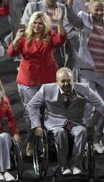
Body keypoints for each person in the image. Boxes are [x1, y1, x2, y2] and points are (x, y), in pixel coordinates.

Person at [66, 0, 104, 155]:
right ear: (90, 10)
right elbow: (72, 19)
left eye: (101, 10)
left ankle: (96, 140)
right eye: (96, 10)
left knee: (103, 108)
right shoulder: (84, 19)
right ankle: (82, 141)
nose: (99, 13)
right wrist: (69, 4)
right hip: (87, 71)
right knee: (88, 106)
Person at [8, 10, 66, 156]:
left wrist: (59, 22)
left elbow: (61, 40)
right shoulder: (24, 37)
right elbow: (11, 53)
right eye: (35, 23)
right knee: (32, 113)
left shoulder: (49, 36)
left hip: (47, 79)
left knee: (47, 112)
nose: (37, 26)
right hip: (28, 80)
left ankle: (49, 143)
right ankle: (31, 143)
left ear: (45, 25)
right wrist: (15, 40)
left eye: (40, 23)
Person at [27, 67, 104, 176]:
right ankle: (64, 165)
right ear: (57, 81)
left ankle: (76, 165)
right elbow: (31, 106)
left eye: (69, 80)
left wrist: (92, 123)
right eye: (63, 81)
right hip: (54, 124)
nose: (66, 83)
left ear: (73, 80)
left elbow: (100, 104)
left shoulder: (84, 88)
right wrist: (37, 125)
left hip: (76, 123)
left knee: (82, 131)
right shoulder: (46, 89)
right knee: (59, 132)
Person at [21, 0, 75, 68]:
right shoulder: (33, 7)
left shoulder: (63, 8)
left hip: (57, 51)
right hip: (36, 51)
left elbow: (67, 29)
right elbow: (25, 28)